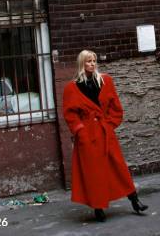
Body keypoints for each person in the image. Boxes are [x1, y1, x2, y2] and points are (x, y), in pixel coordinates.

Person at [63, 50, 148, 222]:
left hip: (105, 133)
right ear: (82, 63)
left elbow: (116, 108)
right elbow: (70, 114)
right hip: (87, 136)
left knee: (118, 167)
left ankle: (135, 200)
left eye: (94, 60)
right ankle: (98, 208)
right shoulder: (71, 87)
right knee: (94, 173)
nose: (92, 64)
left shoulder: (106, 81)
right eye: (88, 61)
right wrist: (80, 131)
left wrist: (109, 125)